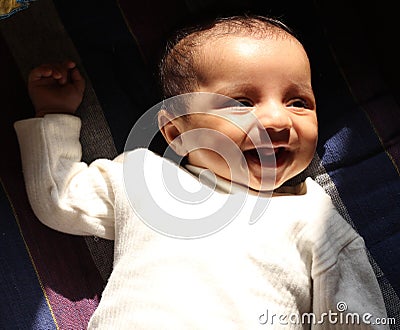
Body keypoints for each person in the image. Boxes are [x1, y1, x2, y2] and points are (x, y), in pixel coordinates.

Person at [14, 14, 388, 329]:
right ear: (177, 132)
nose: (277, 119)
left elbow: (356, 316)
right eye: (241, 102)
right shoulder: (146, 177)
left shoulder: (314, 215)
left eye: (298, 101)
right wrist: (54, 115)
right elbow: (60, 197)